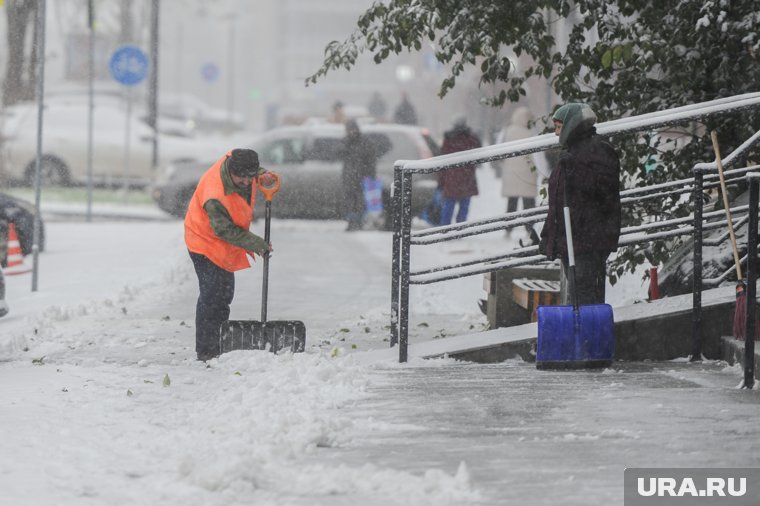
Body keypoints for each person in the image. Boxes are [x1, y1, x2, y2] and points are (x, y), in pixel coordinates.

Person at [184, 148, 274, 361]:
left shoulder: (238, 163)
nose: (245, 182)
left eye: (249, 176)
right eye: (240, 177)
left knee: (224, 294)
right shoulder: (215, 195)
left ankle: (219, 342)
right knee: (211, 295)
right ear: (231, 171)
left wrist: (262, 174)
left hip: (221, 242)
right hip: (203, 240)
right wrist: (256, 243)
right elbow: (224, 230)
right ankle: (206, 350)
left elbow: (245, 165)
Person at [538, 103, 621, 305]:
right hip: (573, 242)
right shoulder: (572, 153)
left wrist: (574, 169)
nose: (557, 134)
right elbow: (560, 199)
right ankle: (582, 333)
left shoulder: (598, 150)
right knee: (577, 299)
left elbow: (603, 191)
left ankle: (587, 336)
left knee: (585, 300)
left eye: (559, 127)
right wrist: (548, 235)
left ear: (571, 125)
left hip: (588, 242)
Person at [498, 107, 539, 243]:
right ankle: (529, 228)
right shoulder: (531, 131)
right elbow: (538, 154)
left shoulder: (507, 130)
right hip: (528, 174)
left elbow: (499, 148)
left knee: (512, 204)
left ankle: (508, 228)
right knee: (529, 204)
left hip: (511, 173)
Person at [341, 119, 385, 231]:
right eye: (348, 130)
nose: (350, 132)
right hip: (349, 178)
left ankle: (358, 223)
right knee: (350, 202)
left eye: (352, 129)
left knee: (360, 202)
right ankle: (352, 222)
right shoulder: (346, 142)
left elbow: (371, 160)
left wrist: (371, 176)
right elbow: (338, 152)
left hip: (361, 178)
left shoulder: (365, 142)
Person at [437, 116, 481, 225]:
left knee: (449, 204)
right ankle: (460, 228)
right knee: (464, 206)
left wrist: (441, 180)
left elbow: (443, 158)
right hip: (467, 177)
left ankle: (445, 228)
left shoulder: (449, 138)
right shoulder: (471, 138)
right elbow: (479, 153)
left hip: (451, 176)